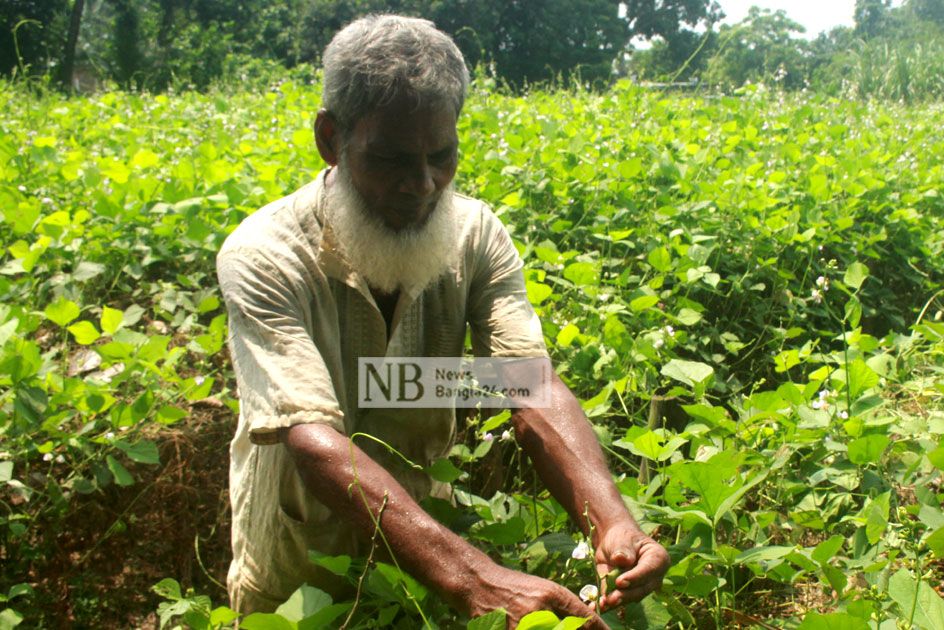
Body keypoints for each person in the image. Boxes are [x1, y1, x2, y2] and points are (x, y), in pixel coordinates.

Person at [215, 14, 668, 627]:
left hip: (426, 562)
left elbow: (526, 385)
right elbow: (312, 443)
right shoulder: (264, 256)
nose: (422, 184)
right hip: (302, 580)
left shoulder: (476, 234)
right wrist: (476, 579)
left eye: (441, 156)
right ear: (331, 140)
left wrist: (611, 519)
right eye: (392, 159)